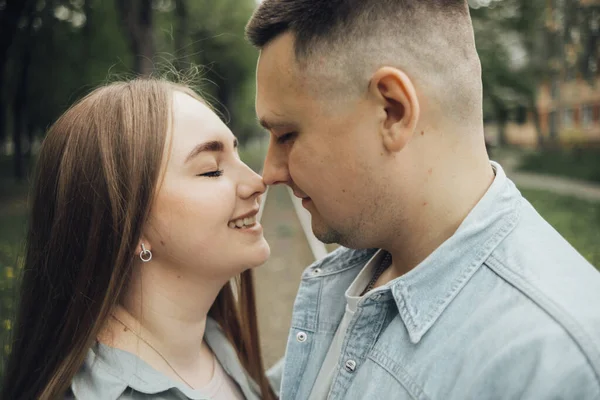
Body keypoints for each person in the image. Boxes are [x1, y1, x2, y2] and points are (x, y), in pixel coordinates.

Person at [246, 0, 600, 399]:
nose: (269, 172)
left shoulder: (557, 366)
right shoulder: (356, 271)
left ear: (392, 111)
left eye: (287, 134)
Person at [1, 79, 276, 400]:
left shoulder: (218, 344)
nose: (257, 182)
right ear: (127, 227)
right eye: (212, 170)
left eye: (237, 154)